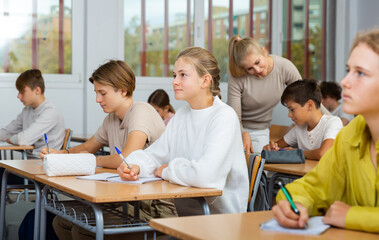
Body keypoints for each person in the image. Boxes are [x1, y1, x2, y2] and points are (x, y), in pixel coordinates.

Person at [43, 60, 177, 240]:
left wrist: (92, 160)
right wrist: (60, 154)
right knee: (60, 222)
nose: (98, 99)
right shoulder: (111, 119)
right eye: (96, 93)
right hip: (126, 200)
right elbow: (87, 147)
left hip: (154, 209)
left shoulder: (141, 111)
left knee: (82, 230)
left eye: (102, 93)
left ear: (123, 90)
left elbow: (126, 159)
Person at [118, 47, 249, 216]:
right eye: (174, 75)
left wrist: (167, 170)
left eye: (183, 75)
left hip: (220, 221)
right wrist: (134, 165)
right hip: (187, 217)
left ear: (205, 81)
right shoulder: (182, 115)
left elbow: (206, 176)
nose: (174, 81)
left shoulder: (224, 116)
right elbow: (155, 154)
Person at [272, 28, 379, 233]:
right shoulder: (350, 135)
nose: (345, 81)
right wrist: (295, 203)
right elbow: (314, 186)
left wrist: (351, 216)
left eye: (361, 73)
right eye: (348, 70)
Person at [227, 35, 303, 154]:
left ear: (264, 51)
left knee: (260, 168)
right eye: (249, 69)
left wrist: (331, 121)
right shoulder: (237, 75)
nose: (257, 70)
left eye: (257, 62)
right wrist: (242, 133)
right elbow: (234, 116)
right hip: (234, 127)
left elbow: (307, 96)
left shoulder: (284, 67)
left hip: (260, 130)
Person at [263, 79, 343, 160]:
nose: (289, 115)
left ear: (310, 105)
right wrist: (270, 148)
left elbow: (323, 153)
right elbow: (276, 146)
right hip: (303, 172)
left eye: (292, 110)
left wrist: (297, 153)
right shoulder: (299, 128)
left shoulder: (333, 122)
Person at [0, 69, 65, 159]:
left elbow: (23, 140)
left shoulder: (50, 112)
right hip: (29, 161)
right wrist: (7, 137)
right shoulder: (27, 110)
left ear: (37, 90)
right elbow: (6, 131)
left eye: (22, 92)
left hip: (44, 163)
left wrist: (9, 139)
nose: (18, 96)